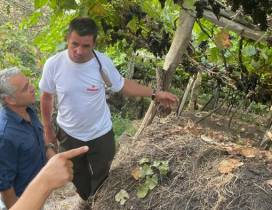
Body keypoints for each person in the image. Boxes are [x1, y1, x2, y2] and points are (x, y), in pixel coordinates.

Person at [39, 17, 178, 204]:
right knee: (76, 177)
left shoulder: (102, 63)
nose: (79, 51)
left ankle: (97, 202)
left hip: (100, 134)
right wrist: (48, 129)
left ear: (94, 44)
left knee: (102, 175)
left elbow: (122, 85)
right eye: (74, 44)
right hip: (69, 135)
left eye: (86, 46)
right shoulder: (53, 64)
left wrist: (154, 93)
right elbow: (47, 97)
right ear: (67, 39)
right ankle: (88, 200)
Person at [0, 67, 56, 209]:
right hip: (21, 200)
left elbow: (38, 133)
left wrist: (49, 150)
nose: (32, 88)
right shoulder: (2, 137)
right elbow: (5, 187)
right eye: (25, 88)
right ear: (10, 99)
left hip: (37, 191)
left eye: (29, 82)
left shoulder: (26, 109)